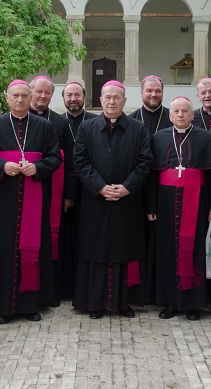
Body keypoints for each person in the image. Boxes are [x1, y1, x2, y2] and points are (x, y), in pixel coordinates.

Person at [0, 79, 61, 324]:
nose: (21, 100)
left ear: (31, 96)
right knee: (4, 249)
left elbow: (55, 157)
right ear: (7, 98)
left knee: (32, 248)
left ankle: (30, 305)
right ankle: (6, 307)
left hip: (34, 193)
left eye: (25, 95)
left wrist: (38, 167)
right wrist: (2, 166)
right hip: (4, 198)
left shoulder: (44, 126)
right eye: (16, 96)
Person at [72, 80, 152, 319]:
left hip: (126, 202)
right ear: (100, 100)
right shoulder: (86, 128)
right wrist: (100, 187)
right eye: (107, 97)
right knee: (95, 251)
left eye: (117, 97)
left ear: (125, 101)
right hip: (96, 201)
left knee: (123, 251)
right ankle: (95, 303)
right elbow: (80, 162)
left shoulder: (138, 128)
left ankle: (122, 303)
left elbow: (145, 162)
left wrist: (127, 187)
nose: (111, 101)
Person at [148, 96, 211, 321]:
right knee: (167, 250)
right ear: (170, 115)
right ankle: (169, 302)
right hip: (165, 203)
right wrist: (150, 205)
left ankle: (193, 304)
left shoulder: (206, 138)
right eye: (176, 111)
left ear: (192, 115)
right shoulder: (158, 138)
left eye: (185, 111)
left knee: (194, 248)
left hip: (197, 202)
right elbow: (151, 175)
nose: (180, 114)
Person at [29, 75, 72, 306]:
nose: (43, 96)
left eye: (47, 93)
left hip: (53, 192)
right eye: (39, 92)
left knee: (51, 241)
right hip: (26, 190)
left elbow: (70, 161)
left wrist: (68, 195)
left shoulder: (60, 122)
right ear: (31, 92)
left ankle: (51, 290)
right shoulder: (15, 120)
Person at [128, 75, 170, 304]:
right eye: (149, 91)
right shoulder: (132, 120)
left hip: (164, 191)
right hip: (136, 189)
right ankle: (140, 289)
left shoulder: (173, 119)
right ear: (141, 93)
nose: (153, 95)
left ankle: (159, 288)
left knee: (161, 241)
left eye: (157, 91)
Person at [60, 80, 98, 297]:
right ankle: (66, 287)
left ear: (85, 97)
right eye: (69, 95)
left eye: (77, 95)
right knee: (66, 239)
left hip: (90, 191)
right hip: (62, 190)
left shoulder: (94, 122)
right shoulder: (55, 123)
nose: (73, 99)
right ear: (63, 98)